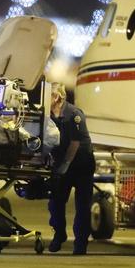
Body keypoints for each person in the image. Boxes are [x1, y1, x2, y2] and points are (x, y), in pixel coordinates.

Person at [47, 83, 95, 255]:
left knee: (82, 205)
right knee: (56, 202)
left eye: (49, 95)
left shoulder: (74, 114)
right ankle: (59, 234)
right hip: (62, 163)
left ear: (57, 97)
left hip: (81, 164)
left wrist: (64, 166)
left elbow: (75, 143)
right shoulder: (49, 115)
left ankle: (80, 243)